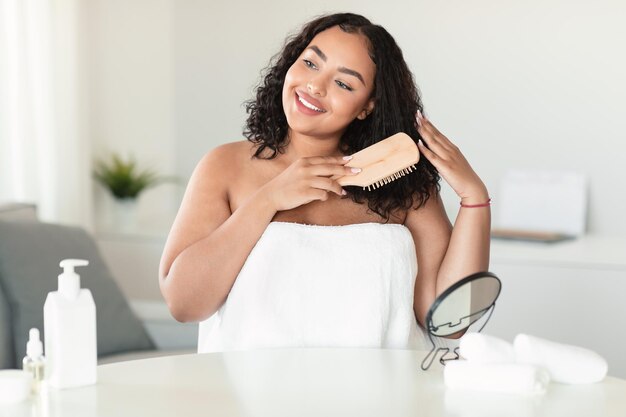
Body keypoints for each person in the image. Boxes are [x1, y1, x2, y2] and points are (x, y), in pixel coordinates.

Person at [159, 13, 490, 352]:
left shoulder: (404, 185)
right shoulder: (225, 166)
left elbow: (450, 323)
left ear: (367, 106)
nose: (316, 86)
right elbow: (184, 305)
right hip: (251, 401)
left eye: (344, 84)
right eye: (311, 63)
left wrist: (474, 197)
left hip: (382, 399)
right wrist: (269, 199)